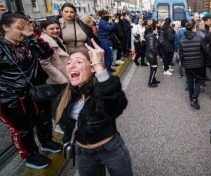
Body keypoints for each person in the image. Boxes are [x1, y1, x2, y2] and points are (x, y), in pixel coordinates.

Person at [54, 39, 132, 176]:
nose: (71, 66)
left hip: (111, 149)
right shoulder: (66, 96)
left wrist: (100, 67)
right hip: (83, 154)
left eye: (78, 62)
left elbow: (116, 104)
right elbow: (65, 125)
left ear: (92, 68)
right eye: (69, 63)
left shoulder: (101, 90)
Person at [0, 12, 62, 169]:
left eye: (26, 26)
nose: (24, 31)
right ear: (5, 27)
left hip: (37, 90)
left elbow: (46, 53)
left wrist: (32, 36)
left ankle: (46, 142)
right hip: (12, 98)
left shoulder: (29, 42)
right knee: (23, 129)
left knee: (44, 118)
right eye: (19, 28)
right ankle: (30, 156)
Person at [179, 22, 205, 109]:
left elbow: (181, 54)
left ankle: (191, 98)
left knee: (190, 82)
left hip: (187, 65)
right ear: (193, 28)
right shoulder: (199, 38)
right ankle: (194, 99)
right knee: (198, 81)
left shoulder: (182, 40)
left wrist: (183, 63)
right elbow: (203, 51)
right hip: (198, 64)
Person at [39, 20, 69, 86]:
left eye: (57, 28)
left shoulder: (57, 39)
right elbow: (45, 65)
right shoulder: (44, 43)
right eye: (51, 29)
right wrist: (63, 81)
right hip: (56, 80)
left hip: (64, 75)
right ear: (44, 30)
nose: (55, 31)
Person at [145, 23, 160, 88]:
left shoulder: (151, 36)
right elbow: (152, 47)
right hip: (151, 55)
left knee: (153, 68)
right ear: (153, 30)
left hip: (150, 54)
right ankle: (150, 83)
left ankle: (153, 80)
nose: (157, 30)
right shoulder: (151, 37)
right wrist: (157, 54)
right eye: (156, 29)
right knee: (154, 68)